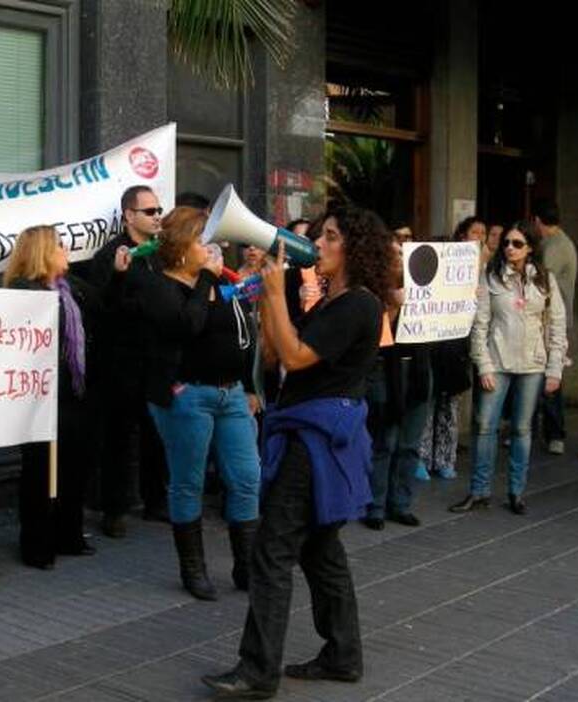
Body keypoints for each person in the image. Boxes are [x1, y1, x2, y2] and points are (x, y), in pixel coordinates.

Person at [202, 205, 393, 699]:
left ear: (355, 249)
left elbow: (296, 355)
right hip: (315, 435)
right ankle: (343, 655)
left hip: (315, 441)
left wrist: (273, 295)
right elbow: (276, 353)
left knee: (272, 552)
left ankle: (257, 672)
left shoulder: (358, 305)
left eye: (330, 237)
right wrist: (268, 299)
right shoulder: (336, 301)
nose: (319, 244)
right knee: (319, 550)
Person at [139, 207, 262, 601]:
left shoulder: (219, 282)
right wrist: (207, 277)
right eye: (200, 241)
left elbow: (242, 332)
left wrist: (250, 385)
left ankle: (246, 566)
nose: (209, 248)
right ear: (180, 247)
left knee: (247, 477)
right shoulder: (159, 287)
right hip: (188, 396)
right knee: (188, 482)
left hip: (231, 394)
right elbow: (187, 325)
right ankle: (194, 569)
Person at [451, 221, 567, 516]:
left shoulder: (545, 280)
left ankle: (517, 492)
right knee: (485, 425)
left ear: (530, 248)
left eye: (517, 244)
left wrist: (555, 369)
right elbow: (480, 325)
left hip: (533, 364)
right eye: (506, 243)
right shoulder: (490, 276)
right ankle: (479, 491)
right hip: (497, 360)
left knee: (522, 428)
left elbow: (557, 325)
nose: (509, 248)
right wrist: (483, 365)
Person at [4, 226, 99, 569]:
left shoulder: (70, 290)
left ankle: (68, 534)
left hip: (73, 391)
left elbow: (104, 306)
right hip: (38, 394)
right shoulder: (23, 292)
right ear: (43, 252)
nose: (66, 251)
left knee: (74, 465)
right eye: (59, 246)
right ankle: (37, 544)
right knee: (40, 470)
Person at [89, 185, 170, 537]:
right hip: (121, 363)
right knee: (119, 437)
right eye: (150, 211)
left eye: (159, 210)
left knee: (157, 433)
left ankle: (156, 500)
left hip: (156, 359)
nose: (157, 217)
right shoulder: (110, 255)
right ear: (129, 216)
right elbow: (103, 307)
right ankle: (114, 509)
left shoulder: (160, 254)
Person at [363, 228, 432, 530]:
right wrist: (392, 306)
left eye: (403, 253)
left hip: (418, 371)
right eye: (393, 253)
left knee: (410, 444)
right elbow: (375, 338)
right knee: (385, 441)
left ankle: (400, 503)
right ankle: (375, 506)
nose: (399, 258)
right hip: (385, 371)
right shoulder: (371, 291)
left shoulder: (425, 286)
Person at [419, 217, 484, 481]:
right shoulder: (423, 280)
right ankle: (422, 458)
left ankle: (445, 459)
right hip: (429, 350)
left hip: (453, 351)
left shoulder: (467, 280)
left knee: (449, 407)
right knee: (427, 405)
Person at [532, 200, 577, 455]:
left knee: (551, 377)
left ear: (538, 221)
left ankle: (555, 433)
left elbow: (538, 278)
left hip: (553, 321)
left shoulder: (555, 246)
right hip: (548, 319)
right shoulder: (559, 242)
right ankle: (536, 429)